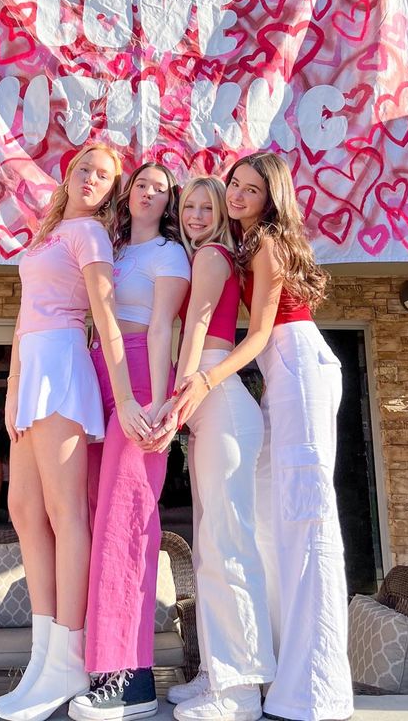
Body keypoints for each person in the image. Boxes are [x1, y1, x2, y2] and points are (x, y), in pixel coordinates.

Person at [172, 153, 353, 721]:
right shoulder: (243, 246)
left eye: (251, 189)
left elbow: (258, 337)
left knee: (307, 520)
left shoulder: (269, 244)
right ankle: (270, 670)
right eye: (235, 185)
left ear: (271, 197)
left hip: (299, 368)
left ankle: (315, 688)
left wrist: (204, 378)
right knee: (275, 523)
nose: (237, 195)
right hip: (281, 377)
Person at [0, 144, 151, 721]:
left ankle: (68, 653)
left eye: (105, 176)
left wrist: (126, 395)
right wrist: (11, 382)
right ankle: (43, 658)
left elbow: (105, 317)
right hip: (32, 368)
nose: (92, 178)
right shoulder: (50, 230)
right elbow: (22, 310)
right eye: (86, 167)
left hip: (61, 362)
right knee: (24, 509)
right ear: (68, 172)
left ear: (111, 191)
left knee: (65, 515)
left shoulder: (92, 238)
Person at [69, 162, 190, 721]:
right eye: (142, 183)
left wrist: (161, 401)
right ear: (129, 193)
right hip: (98, 374)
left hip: (141, 376)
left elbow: (164, 326)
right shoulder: (111, 249)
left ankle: (130, 680)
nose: (149, 192)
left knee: (127, 518)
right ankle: (97, 663)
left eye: (161, 189)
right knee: (95, 516)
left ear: (169, 203)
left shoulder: (171, 255)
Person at [158, 176, 276, 721]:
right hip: (213, 404)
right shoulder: (210, 255)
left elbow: (197, 330)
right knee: (210, 548)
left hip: (218, 397)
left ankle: (240, 692)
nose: (198, 214)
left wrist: (177, 399)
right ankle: (215, 672)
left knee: (228, 549)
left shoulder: (210, 255)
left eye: (208, 205)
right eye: (190, 206)